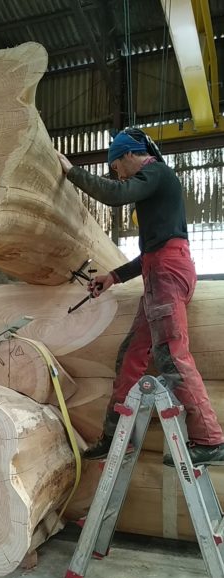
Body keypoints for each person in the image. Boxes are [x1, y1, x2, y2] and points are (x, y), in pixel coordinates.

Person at [56, 130, 224, 466]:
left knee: (171, 355)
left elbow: (117, 195)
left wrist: (72, 171)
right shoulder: (156, 187)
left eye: (115, 165)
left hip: (166, 273)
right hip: (159, 270)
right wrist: (113, 277)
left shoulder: (156, 172)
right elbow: (150, 254)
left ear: (128, 155)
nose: (116, 173)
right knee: (131, 353)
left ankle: (211, 439)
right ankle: (118, 435)